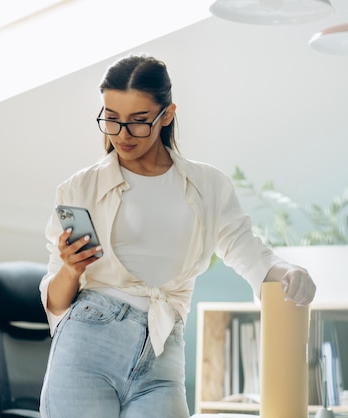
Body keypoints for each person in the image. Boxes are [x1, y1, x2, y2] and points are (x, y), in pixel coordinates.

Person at [38, 53, 316, 418]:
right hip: (87, 342)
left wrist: (287, 270)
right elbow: (55, 304)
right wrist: (72, 270)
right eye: (112, 120)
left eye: (138, 122)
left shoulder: (207, 185)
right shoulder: (79, 188)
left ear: (166, 115)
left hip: (163, 349)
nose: (123, 135)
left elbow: (244, 246)